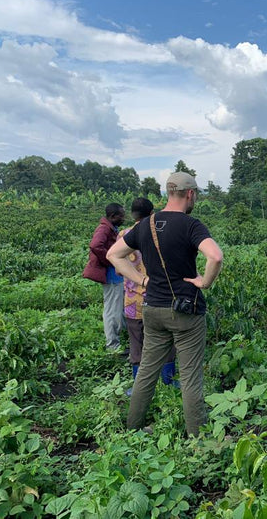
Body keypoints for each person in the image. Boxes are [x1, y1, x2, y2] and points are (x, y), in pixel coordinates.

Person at [108, 172, 223, 436]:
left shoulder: (145, 224)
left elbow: (113, 254)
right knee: (191, 375)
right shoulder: (191, 225)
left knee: (146, 372)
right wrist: (204, 283)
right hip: (186, 311)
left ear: (168, 193)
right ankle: (199, 439)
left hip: (152, 309)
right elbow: (215, 256)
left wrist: (141, 280)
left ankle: (132, 429)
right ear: (190, 194)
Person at [119, 198, 178, 396]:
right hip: (160, 299)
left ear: (131, 214)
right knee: (166, 341)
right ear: (152, 213)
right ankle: (168, 383)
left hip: (133, 302)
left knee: (137, 344)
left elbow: (119, 270)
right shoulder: (161, 234)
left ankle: (139, 387)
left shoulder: (123, 235)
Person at [83, 203, 126, 351]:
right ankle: (112, 346)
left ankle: (118, 340)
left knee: (118, 309)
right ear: (113, 216)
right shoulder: (104, 228)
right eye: (121, 215)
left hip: (116, 275)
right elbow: (95, 245)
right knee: (112, 311)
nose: (123, 218)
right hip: (111, 275)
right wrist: (110, 258)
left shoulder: (110, 228)